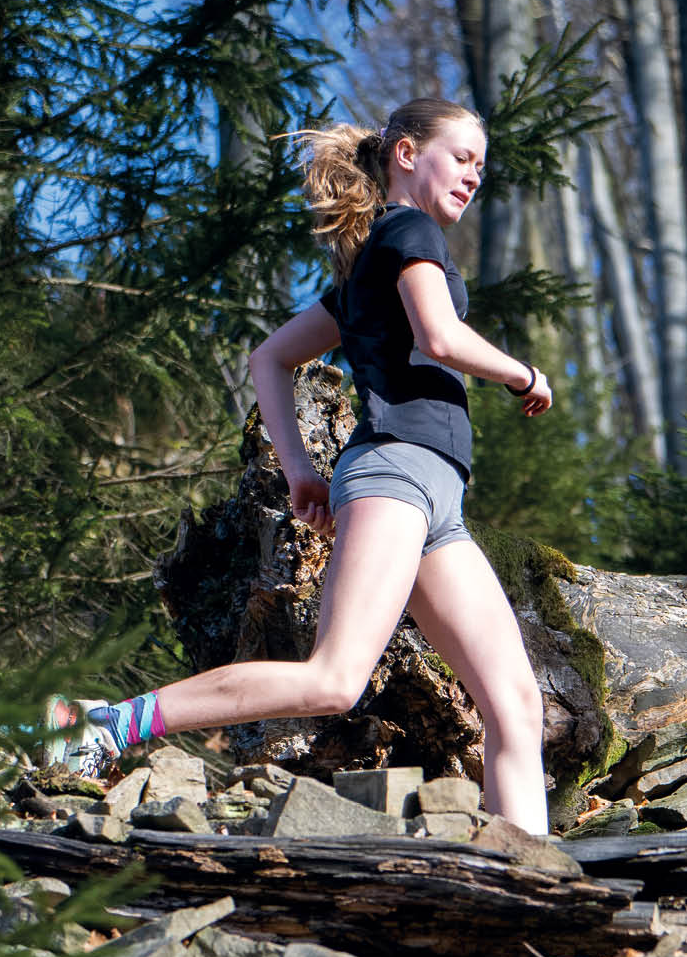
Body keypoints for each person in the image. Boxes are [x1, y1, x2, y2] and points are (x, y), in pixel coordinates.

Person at [46, 97, 553, 834]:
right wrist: (521, 374)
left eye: (483, 166)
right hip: (398, 473)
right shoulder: (407, 229)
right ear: (407, 153)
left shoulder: (369, 261)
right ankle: (102, 724)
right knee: (335, 678)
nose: (476, 177)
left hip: (435, 495)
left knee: (516, 701)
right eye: (464, 158)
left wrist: (302, 472)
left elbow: (270, 357)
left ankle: (528, 875)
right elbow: (440, 338)